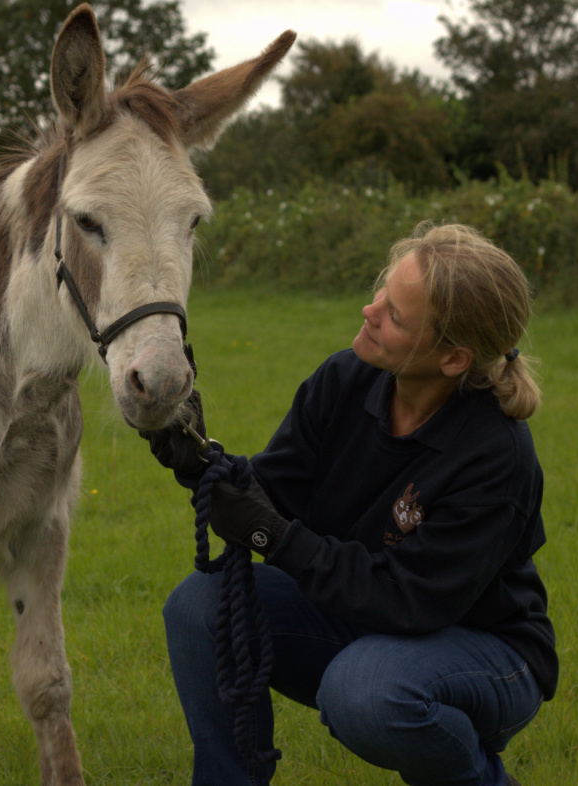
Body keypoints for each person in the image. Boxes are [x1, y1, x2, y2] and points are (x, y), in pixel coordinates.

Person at [142, 222, 556, 786]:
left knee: (363, 692)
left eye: (396, 316)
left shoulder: (494, 455)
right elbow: (271, 497)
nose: (369, 310)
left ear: (454, 359)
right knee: (199, 608)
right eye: (382, 291)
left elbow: (408, 599)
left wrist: (278, 539)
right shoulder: (345, 379)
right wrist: (198, 465)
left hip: (484, 651)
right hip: (365, 620)